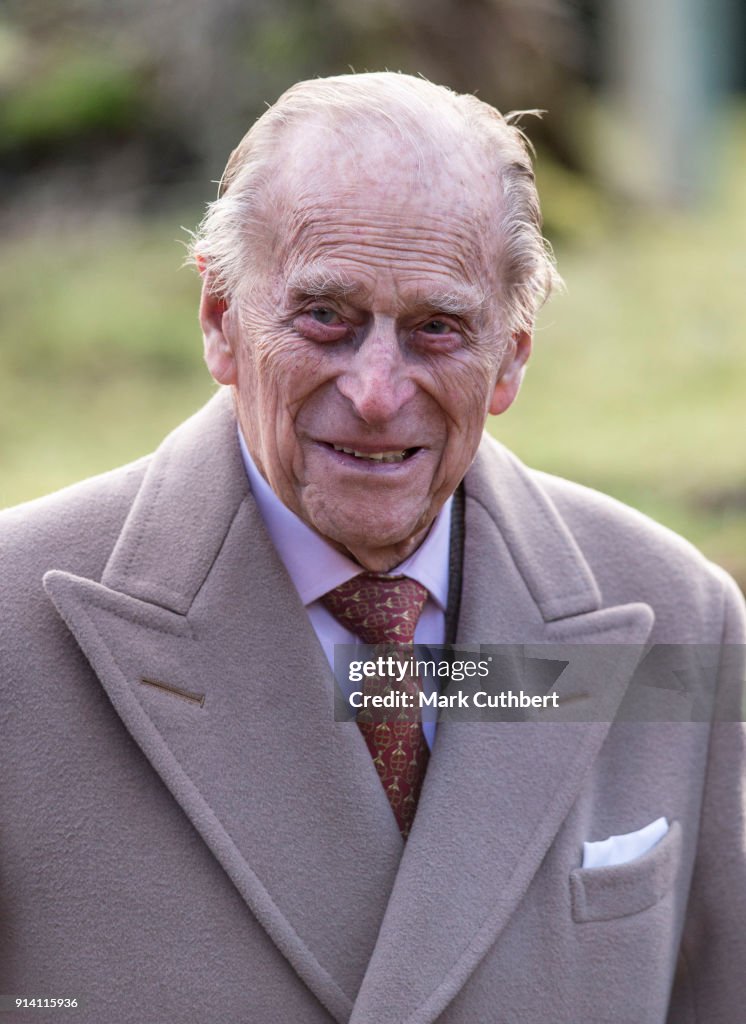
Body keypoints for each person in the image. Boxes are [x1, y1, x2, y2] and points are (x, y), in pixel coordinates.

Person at [1, 72, 744, 1024]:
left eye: (437, 329)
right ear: (221, 321)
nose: (378, 392)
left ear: (513, 354)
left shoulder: (681, 616)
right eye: (326, 319)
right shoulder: (15, 625)